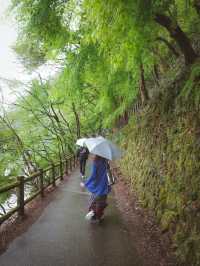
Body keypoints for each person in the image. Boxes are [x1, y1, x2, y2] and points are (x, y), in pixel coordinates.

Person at [83, 155, 111, 223]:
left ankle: (93, 213)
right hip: (104, 184)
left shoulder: (96, 162)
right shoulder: (106, 161)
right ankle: (99, 215)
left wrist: (85, 183)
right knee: (102, 201)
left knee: (95, 200)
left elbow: (93, 176)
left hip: (97, 185)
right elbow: (108, 172)